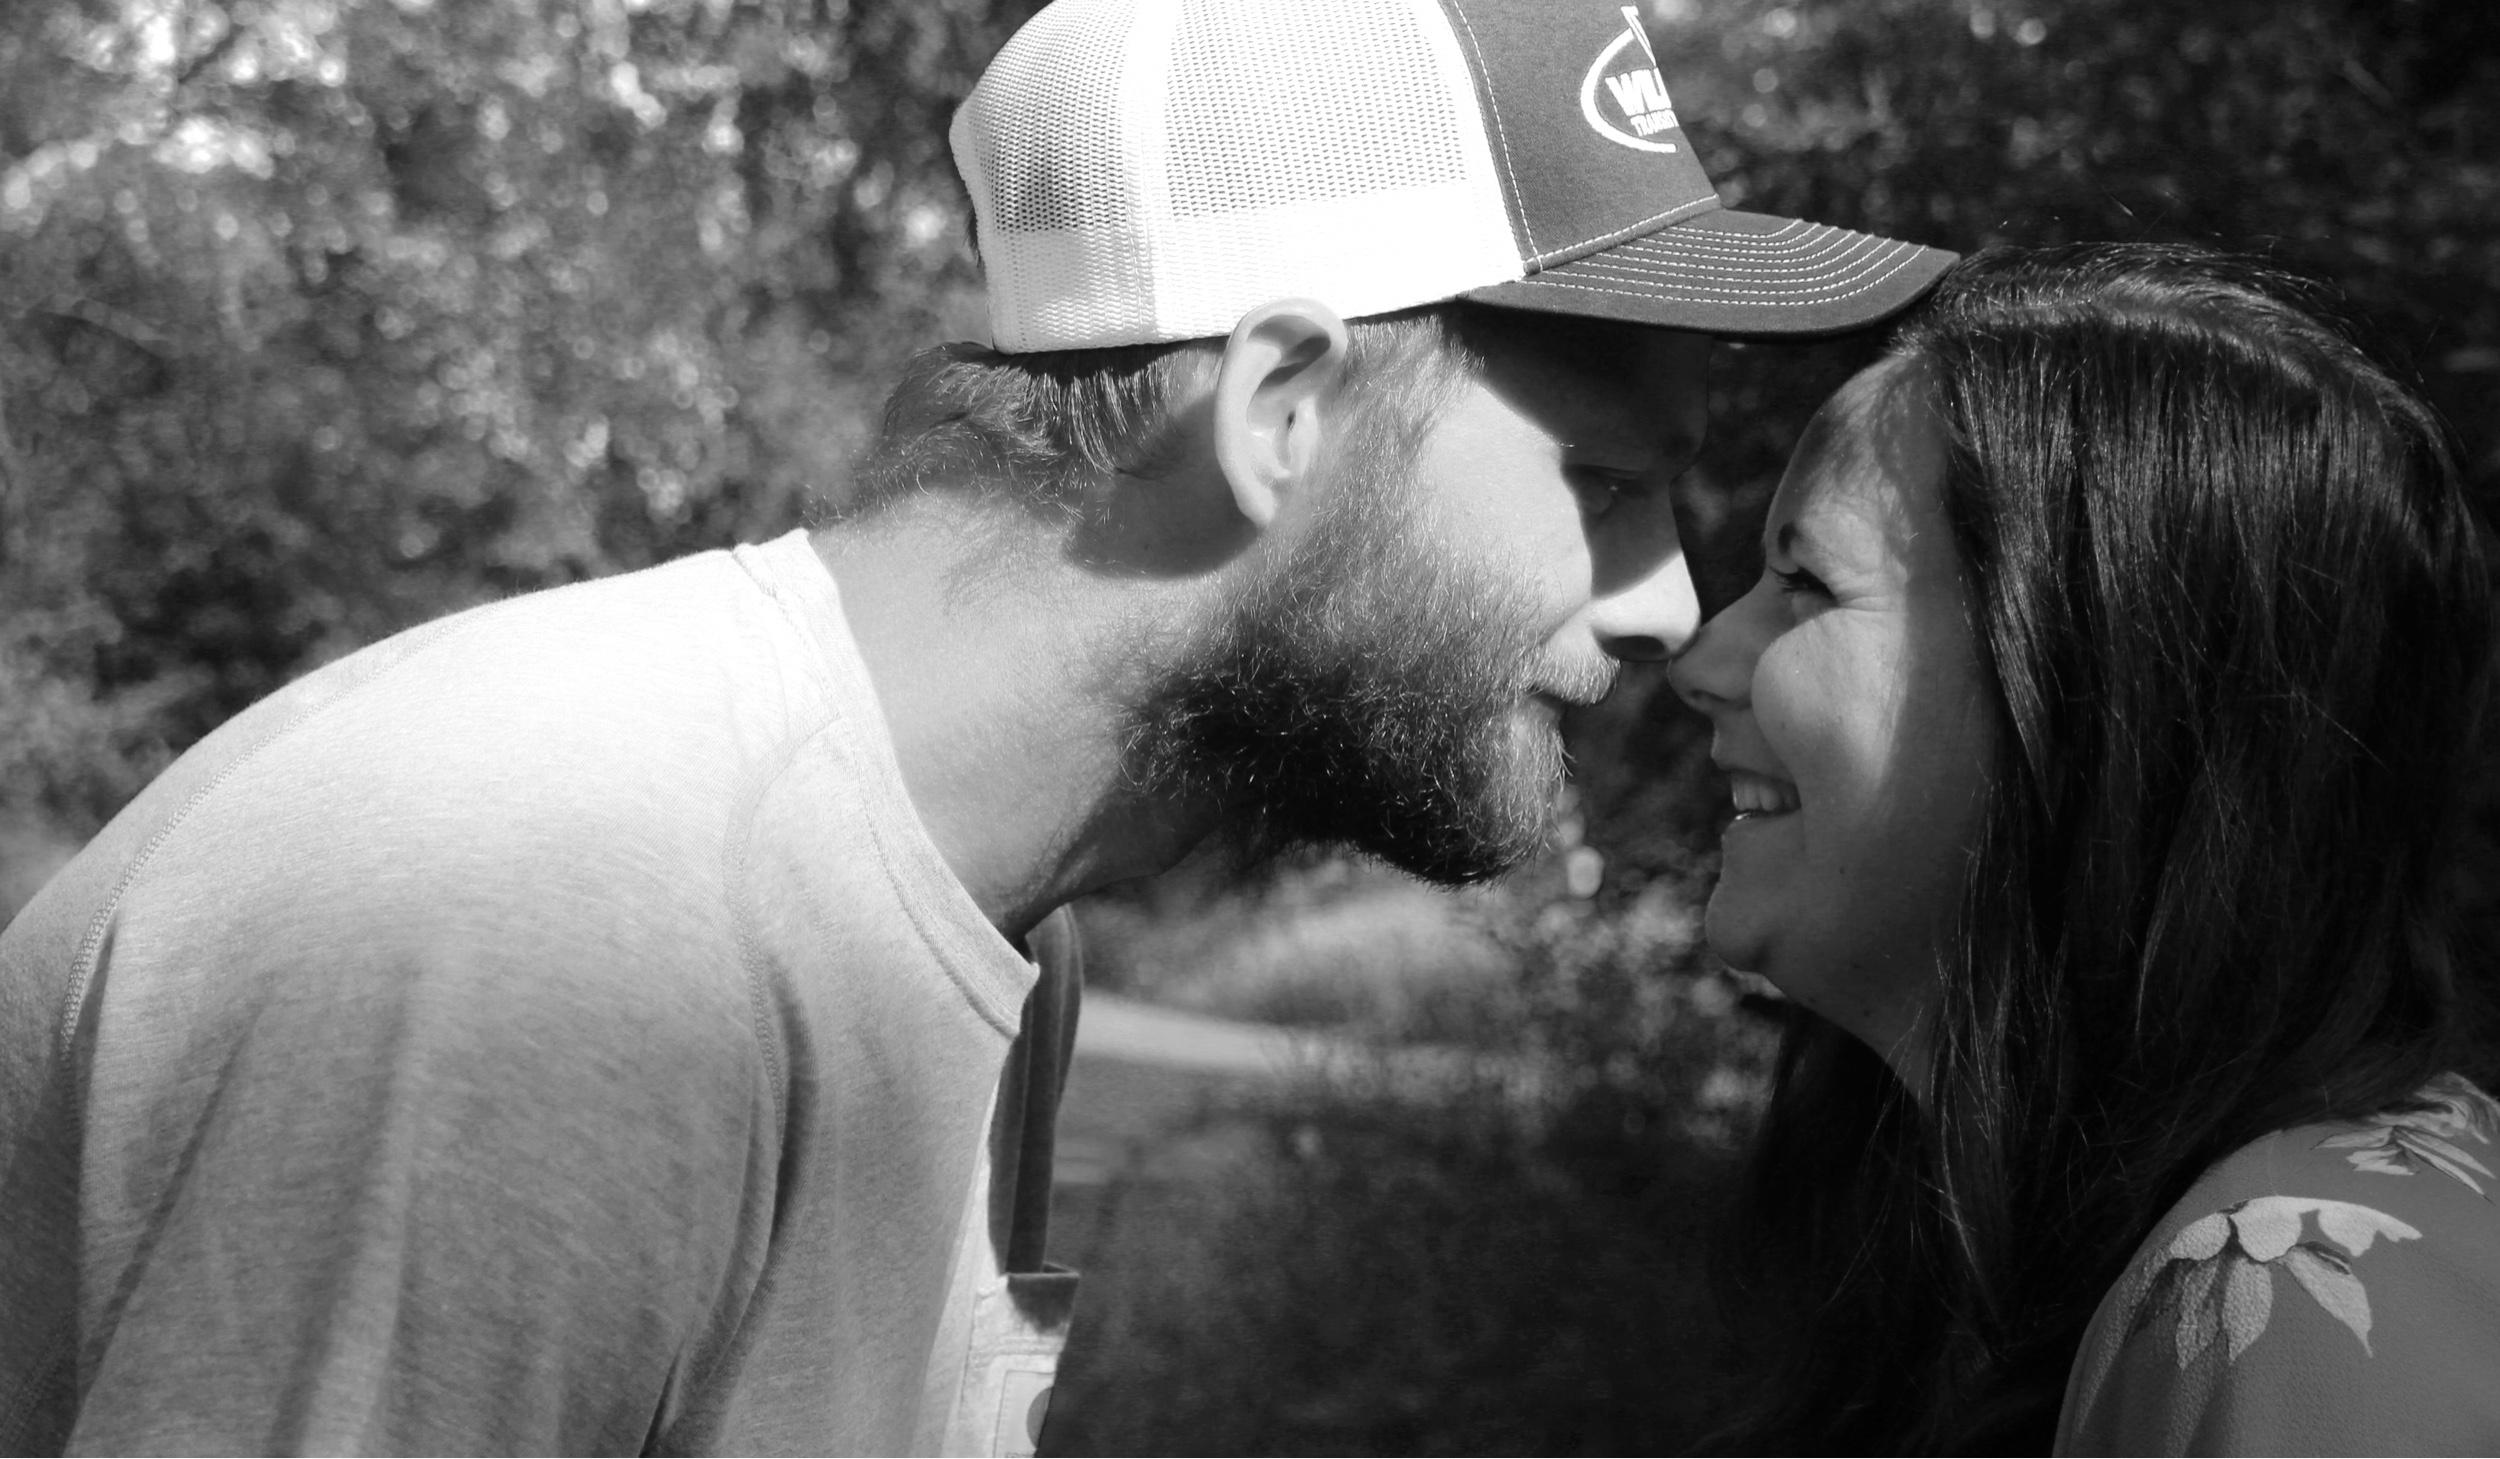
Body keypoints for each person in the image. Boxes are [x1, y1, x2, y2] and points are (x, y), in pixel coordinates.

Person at [0, 1, 1954, 1453]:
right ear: (1281, 409)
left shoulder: (979, 907)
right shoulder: (570, 921)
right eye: (1604, 485)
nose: (1668, 605)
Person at [1667, 242, 2499, 1454]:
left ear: (2101, 700)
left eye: (1805, 582)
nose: (1699, 660)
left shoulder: (2288, 1298)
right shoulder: (2111, 1236)